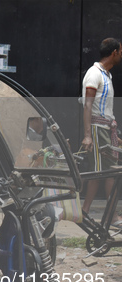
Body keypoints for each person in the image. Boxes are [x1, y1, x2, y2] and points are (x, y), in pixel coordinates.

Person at [81, 38, 122, 226]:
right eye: (120, 51)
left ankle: (85, 212)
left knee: (106, 173)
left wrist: (115, 136)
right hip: (98, 129)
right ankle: (110, 216)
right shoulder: (94, 74)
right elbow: (87, 106)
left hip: (106, 128)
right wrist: (88, 135)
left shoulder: (107, 75)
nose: (121, 55)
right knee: (102, 173)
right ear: (114, 53)